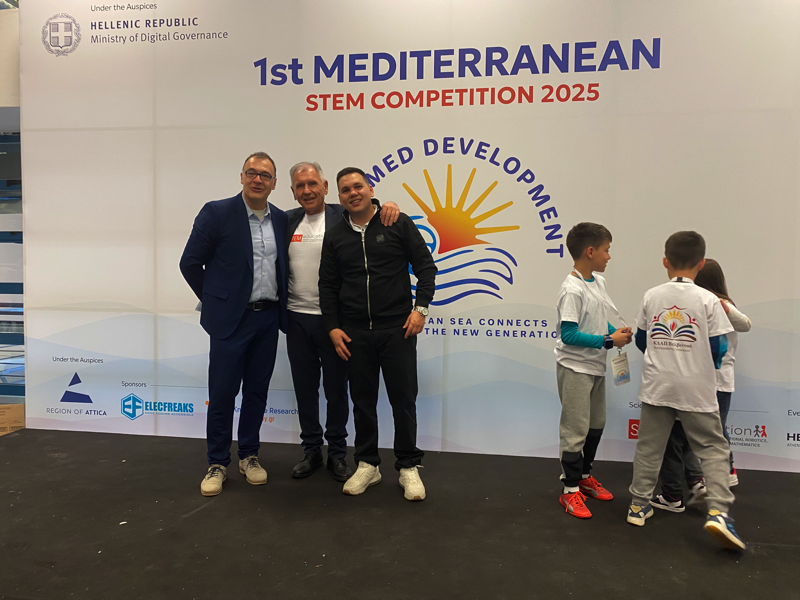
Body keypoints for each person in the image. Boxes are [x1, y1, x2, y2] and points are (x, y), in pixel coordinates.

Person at [318, 167, 437, 501]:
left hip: (397, 330)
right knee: (363, 402)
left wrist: (420, 309)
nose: (352, 193)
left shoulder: (396, 222)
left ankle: (408, 466)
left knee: (404, 400)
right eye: (345, 190)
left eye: (358, 186)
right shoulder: (335, 235)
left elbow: (426, 268)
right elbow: (327, 285)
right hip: (354, 333)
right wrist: (332, 327)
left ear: (371, 189)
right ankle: (368, 464)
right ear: (339, 197)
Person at [627, 231, 746, 552]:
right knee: (713, 448)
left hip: (657, 385)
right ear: (701, 263)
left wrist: (663, 356)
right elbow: (719, 346)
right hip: (696, 387)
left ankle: (638, 506)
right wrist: (698, 365)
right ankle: (718, 512)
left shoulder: (652, 295)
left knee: (649, 447)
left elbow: (642, 339)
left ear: (665, 262)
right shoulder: (708, 300)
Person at [180, 152, 288, 497]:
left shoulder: (282, 219)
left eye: (265, 175)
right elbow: (189, 262)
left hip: (267, 318)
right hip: (230, 322)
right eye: (252, 173)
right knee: (223, 394)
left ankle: (249, 456)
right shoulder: (217, 213)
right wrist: (217, 301)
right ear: (241, 177)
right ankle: (217, 462)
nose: (258, 180)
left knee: (257, 391)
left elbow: (325, 214)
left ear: (274, 183)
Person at [285, 161, 399, 482]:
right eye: (300, 186)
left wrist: (389, 205)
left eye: (312, 184)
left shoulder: (343, 216)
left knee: (336, 390)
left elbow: (371, 212)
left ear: (324, 187)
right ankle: (311, 451)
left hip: (335, 322)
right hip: (296, 320)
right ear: (293, 192)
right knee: (305, 390)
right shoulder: (286, 220)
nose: (307, 190)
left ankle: (337, 453)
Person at [650, 258, 751, 512]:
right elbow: (744, 325)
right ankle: (712, 479)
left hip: (701, 383)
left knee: (680, 437)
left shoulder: (710, 306)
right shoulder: (722, 306)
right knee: (708, 436)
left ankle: (681, 491)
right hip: (720, 383)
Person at [554, 223, 632, 519]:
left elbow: (598, 321)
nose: (609, 256)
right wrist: (609, 340)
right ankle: (569, 490)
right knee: (574, 430)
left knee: (596, 424)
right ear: (590, 251)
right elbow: (568, 335)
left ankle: (585, 476)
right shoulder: (571, 290)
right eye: (606, 250)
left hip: (595, 366)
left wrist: (614, 332)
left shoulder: (597, 282)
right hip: (575, 367)